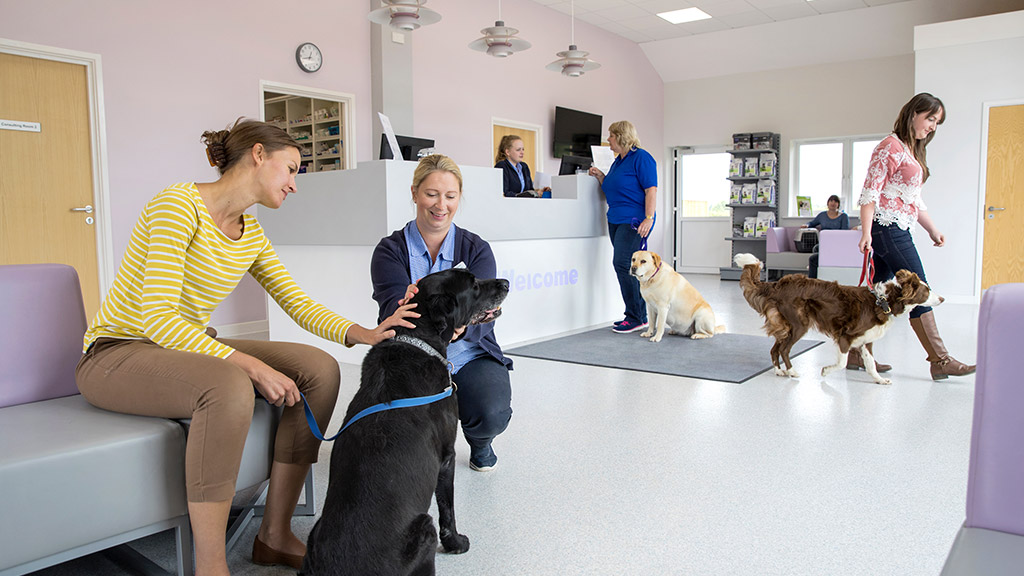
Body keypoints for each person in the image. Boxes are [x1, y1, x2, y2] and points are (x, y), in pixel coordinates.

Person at [75, 119, 418, 576]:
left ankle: (274, 536)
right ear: (258, 154)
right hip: (117, 352)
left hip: (182, 350)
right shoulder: (177, 205)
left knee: (319, 369)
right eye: (291, 169)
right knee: (229, 385)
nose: (295, 185)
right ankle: (211, 567)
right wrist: (251, 366)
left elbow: (296, 302)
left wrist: (364, 333)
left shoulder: (250, 233)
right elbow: (156, 317)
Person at [371, 154, 513, 472]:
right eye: (431, 194)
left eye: (450, 196)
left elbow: (483, 310)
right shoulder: (389, 251)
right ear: (414, 193)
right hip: (414, 357)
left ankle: (481, 442)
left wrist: (453, 324)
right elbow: (393, 313)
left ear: (459, 197)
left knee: (491, 413)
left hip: (468, 354)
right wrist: (408, 308)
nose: (441, 205)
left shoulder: (476, 249)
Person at [858, 92, 975, 380]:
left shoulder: (911, 150)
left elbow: (913, 201)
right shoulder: (889, 147)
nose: (933, 126)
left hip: (899, 227)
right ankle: (940, 360)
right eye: (930, 118)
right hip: (887, 229)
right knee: (919, 289)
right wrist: (865, 233)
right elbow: (869, 193)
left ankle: (856, 353)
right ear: (913, 114)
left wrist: (932, 228)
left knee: (877, 295)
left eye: (937, 122)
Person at [587, 120, 658, 333]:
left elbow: (651, 190)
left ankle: (636, 316)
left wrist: (649, 218)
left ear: (621, 136)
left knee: (623, 264)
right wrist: (600, 176)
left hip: (634, 221)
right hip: (616, 219)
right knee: (627, 267)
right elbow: (612, 187)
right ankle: (640, 315)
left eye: (611, 135)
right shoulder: (619, 161)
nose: (608, 139)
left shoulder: (642, 158)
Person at [803, 194, 850, 279]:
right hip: (824, 244)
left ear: (838, 204)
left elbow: (844, 233)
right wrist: (806, 225)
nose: (833, 203)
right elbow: (812, 223)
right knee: (816, 248)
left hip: (837, 245)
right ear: (827, 203)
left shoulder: (843, 216)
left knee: (814, 257)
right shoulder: (822, 215)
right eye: (831, 201)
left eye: (835, 201)